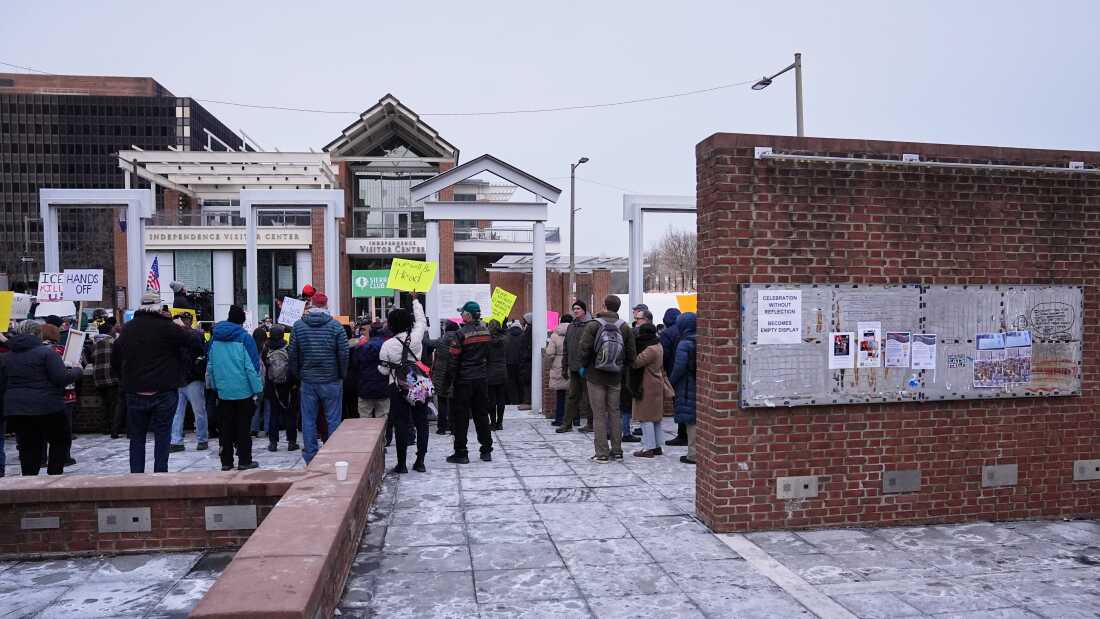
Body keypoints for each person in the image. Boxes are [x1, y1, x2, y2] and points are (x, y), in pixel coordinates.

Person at [112, 291, 193, 473]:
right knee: (162, 436)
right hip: (164, 390)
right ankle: (159, 476)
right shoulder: (168, 327)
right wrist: (182, 327)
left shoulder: (128, 328)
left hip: (135, 390)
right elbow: (193, 343)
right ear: (159, 306)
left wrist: (125, 380)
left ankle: (137, 477)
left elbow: (116, 359)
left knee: (137, 438)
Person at [1, 320, 83, 475]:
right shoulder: (47, 353)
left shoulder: (6, 357)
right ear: (38, 334)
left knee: (28, 446)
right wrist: (77, 371)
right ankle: (54, 474)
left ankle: (30, 480)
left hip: (17, 409)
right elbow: (60, 378)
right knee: (60, 441)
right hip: (48, 407)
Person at [288, 291, 349, 464]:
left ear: (312, 305)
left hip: (308, 380)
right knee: (333, 419)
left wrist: (299, 374)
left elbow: (292, 354)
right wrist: (341, 374)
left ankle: (310, 456)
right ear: (326, 306)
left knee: (308, 419)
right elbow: (344, 354)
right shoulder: (336, 327)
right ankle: (333, 455)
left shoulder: (298, 326)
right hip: (331, 379)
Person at [579, 295, 635, 463]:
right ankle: (617, 450)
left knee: (598, 414)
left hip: (595, 375)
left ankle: (602, 452)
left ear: (604, 306)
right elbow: (631, 354)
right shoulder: (625, 327)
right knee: (614, 413)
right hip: (615, 376)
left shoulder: (593, 325)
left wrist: (584, 366)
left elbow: (583, 349)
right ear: (618, 308)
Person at [207, 305, 264, 471]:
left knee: (225, 427)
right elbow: (252, 367)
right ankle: (244, 460)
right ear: (242, 321)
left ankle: (226, 461)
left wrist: (215, 387)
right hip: (243, 391)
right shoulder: (245, 338)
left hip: (223, 391)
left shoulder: (215, 338)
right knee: (243, 427)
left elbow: (210, 366)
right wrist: (257, 389)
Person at [378, 299, 428, 473]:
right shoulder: (416, 337)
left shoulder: (387, 345)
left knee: (401, 423)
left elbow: (383, 371)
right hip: (417, 383)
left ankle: (401, 464)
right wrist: (415, 300)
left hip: (397, 386)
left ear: (391, 325)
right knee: (421, 422)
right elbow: (421, 321)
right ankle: (420, 461)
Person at [444, 301, 494, 464]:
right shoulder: (486, 332)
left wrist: (447, 382)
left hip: (464, 380)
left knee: (461, 417)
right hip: (481, 379)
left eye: (462, 313)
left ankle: (461, 452)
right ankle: (486, 450)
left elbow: (453, 360)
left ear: (468, 315)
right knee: (481, 415)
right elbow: (488, 355)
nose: (460, 316)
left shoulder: (460, 334)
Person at [170, 313, 210, 453]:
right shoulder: (195, 336)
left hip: (182, 378)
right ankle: (201, 439)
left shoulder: (177, 338)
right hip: (191, 378)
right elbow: (201, 356)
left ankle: (177, 441)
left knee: (179, 412)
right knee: (197, 411)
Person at [631, 323, 669, 458]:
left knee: (645, 417)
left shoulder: (650, 349)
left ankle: (648, 448)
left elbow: (636, 362)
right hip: (656, 384)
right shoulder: (658, 345)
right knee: (655, 418)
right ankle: (658, 446)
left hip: (647, 385)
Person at [557, 300, 592, 433]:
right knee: (572, 396)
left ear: (584, 310)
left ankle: (591, 423)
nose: (576, 311)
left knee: (589, 397)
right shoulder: (571, 326)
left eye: (578, 308)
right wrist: (564, 366)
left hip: (586, 368)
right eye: (574, 309)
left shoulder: (591, 325)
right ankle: (567, 424)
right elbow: (566, 348)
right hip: (573, 367)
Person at [262, 323, 298, 452]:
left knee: (274, 414)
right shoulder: (288, 347)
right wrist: (294, 383)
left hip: (272, 386)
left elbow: (265, 366)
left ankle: (273, 443)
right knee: (290, 414)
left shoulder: (266, 348)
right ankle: (291, 442)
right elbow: (293, 366)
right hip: (288, 386)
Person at [669, 312, 697, 465]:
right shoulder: (701, 339)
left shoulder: (684, 343)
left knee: (691, 420)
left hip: (686, 386)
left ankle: (693, 454)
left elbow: (679, 367)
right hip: (699, 384)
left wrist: (671, 381)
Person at [621, 309, 653, 444]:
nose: (636, 321)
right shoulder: (635, 333)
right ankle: (627, 432)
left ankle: (643, 435)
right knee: (627, 403)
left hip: (643, 374)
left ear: (646, 320)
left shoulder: (645, 335)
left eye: (639, 319)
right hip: (631, 372)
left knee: (640, 405)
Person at [92, 320, 126, 439]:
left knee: (105, 404)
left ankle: (105, 427)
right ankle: (114, 429)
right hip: (111, 377)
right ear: (109, 331)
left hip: (98, 378)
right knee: (115, 405)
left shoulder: (94, 344)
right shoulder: (113, 342)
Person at [660, 308, 687, 447]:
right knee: (687, 403)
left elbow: (664, 355)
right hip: (689, 373)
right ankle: (687, 433)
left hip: (674, 372)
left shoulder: (667, 333)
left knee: (678, 404)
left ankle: (682, 435)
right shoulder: (686, 331)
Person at [354, 322, 390, 424]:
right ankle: (383, 439)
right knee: (382, 419)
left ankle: (366, 440)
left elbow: (355, 365)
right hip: (383, 387)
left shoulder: (361, 347)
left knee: (365, 418)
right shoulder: (387, 346)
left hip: (365, 386)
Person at [430, 320, 460, 435]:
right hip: (454, 373)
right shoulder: (459, 341)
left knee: (442, 401)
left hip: (440, 375)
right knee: (453, 402)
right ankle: (453, 427)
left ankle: (441, 427)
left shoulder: (440, 341)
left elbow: (427, 342)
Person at [544, 314, 572, 426]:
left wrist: (549, 365)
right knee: (574, 395)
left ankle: (559, 419)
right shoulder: (575, 333)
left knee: (560, 394)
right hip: (571, 364)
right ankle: (575, 419)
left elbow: (550, 353)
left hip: (558, 365)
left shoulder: (555, 336)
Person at [486, 320, 509, 430]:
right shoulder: (504, 340)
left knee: (491, 399)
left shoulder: (486, 341)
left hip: (490, 371)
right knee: (501, 399)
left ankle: (493, 423)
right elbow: (506, 333)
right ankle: (500, 423)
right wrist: (504, 325)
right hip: (502, 371)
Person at [503, 320, 525, 404]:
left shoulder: (507, 336)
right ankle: (521, 399)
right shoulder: (523, 336)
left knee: (511, 382)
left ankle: (513, 400)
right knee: (520, 381)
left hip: (509, 363)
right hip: (520, 362)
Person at [342, 324, 361, 420]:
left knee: (342, 407)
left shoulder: (338, 346)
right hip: (354, 378)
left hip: (341, 378)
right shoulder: (357, 345)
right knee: (354, 406)